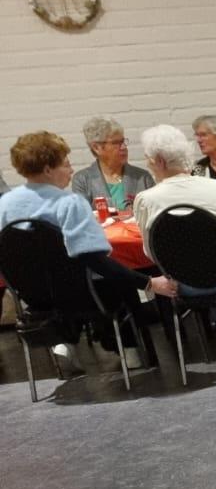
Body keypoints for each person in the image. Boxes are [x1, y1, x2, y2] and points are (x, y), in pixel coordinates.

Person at [2, 131, 176, 371]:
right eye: (66, 164)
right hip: (82, 298)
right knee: (118, 284)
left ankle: (65, 342)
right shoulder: (69, 203)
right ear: (48, 169)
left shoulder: (4, 205)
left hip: (33, 299)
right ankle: (129, 349)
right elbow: (96, 260)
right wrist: (148, 282)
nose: (72, 170)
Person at [133, 124, 216, 359]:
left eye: (148, 159)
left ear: (160, 161)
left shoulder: (145, 200)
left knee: (198, 265)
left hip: (188, 283)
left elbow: (151, 252)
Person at [69, 116, 154, 212]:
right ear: (97, 148)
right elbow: (82, 217)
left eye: (123, 141)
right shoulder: (82, 180)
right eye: (116, 143)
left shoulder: (143, 177)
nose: (123, 147)